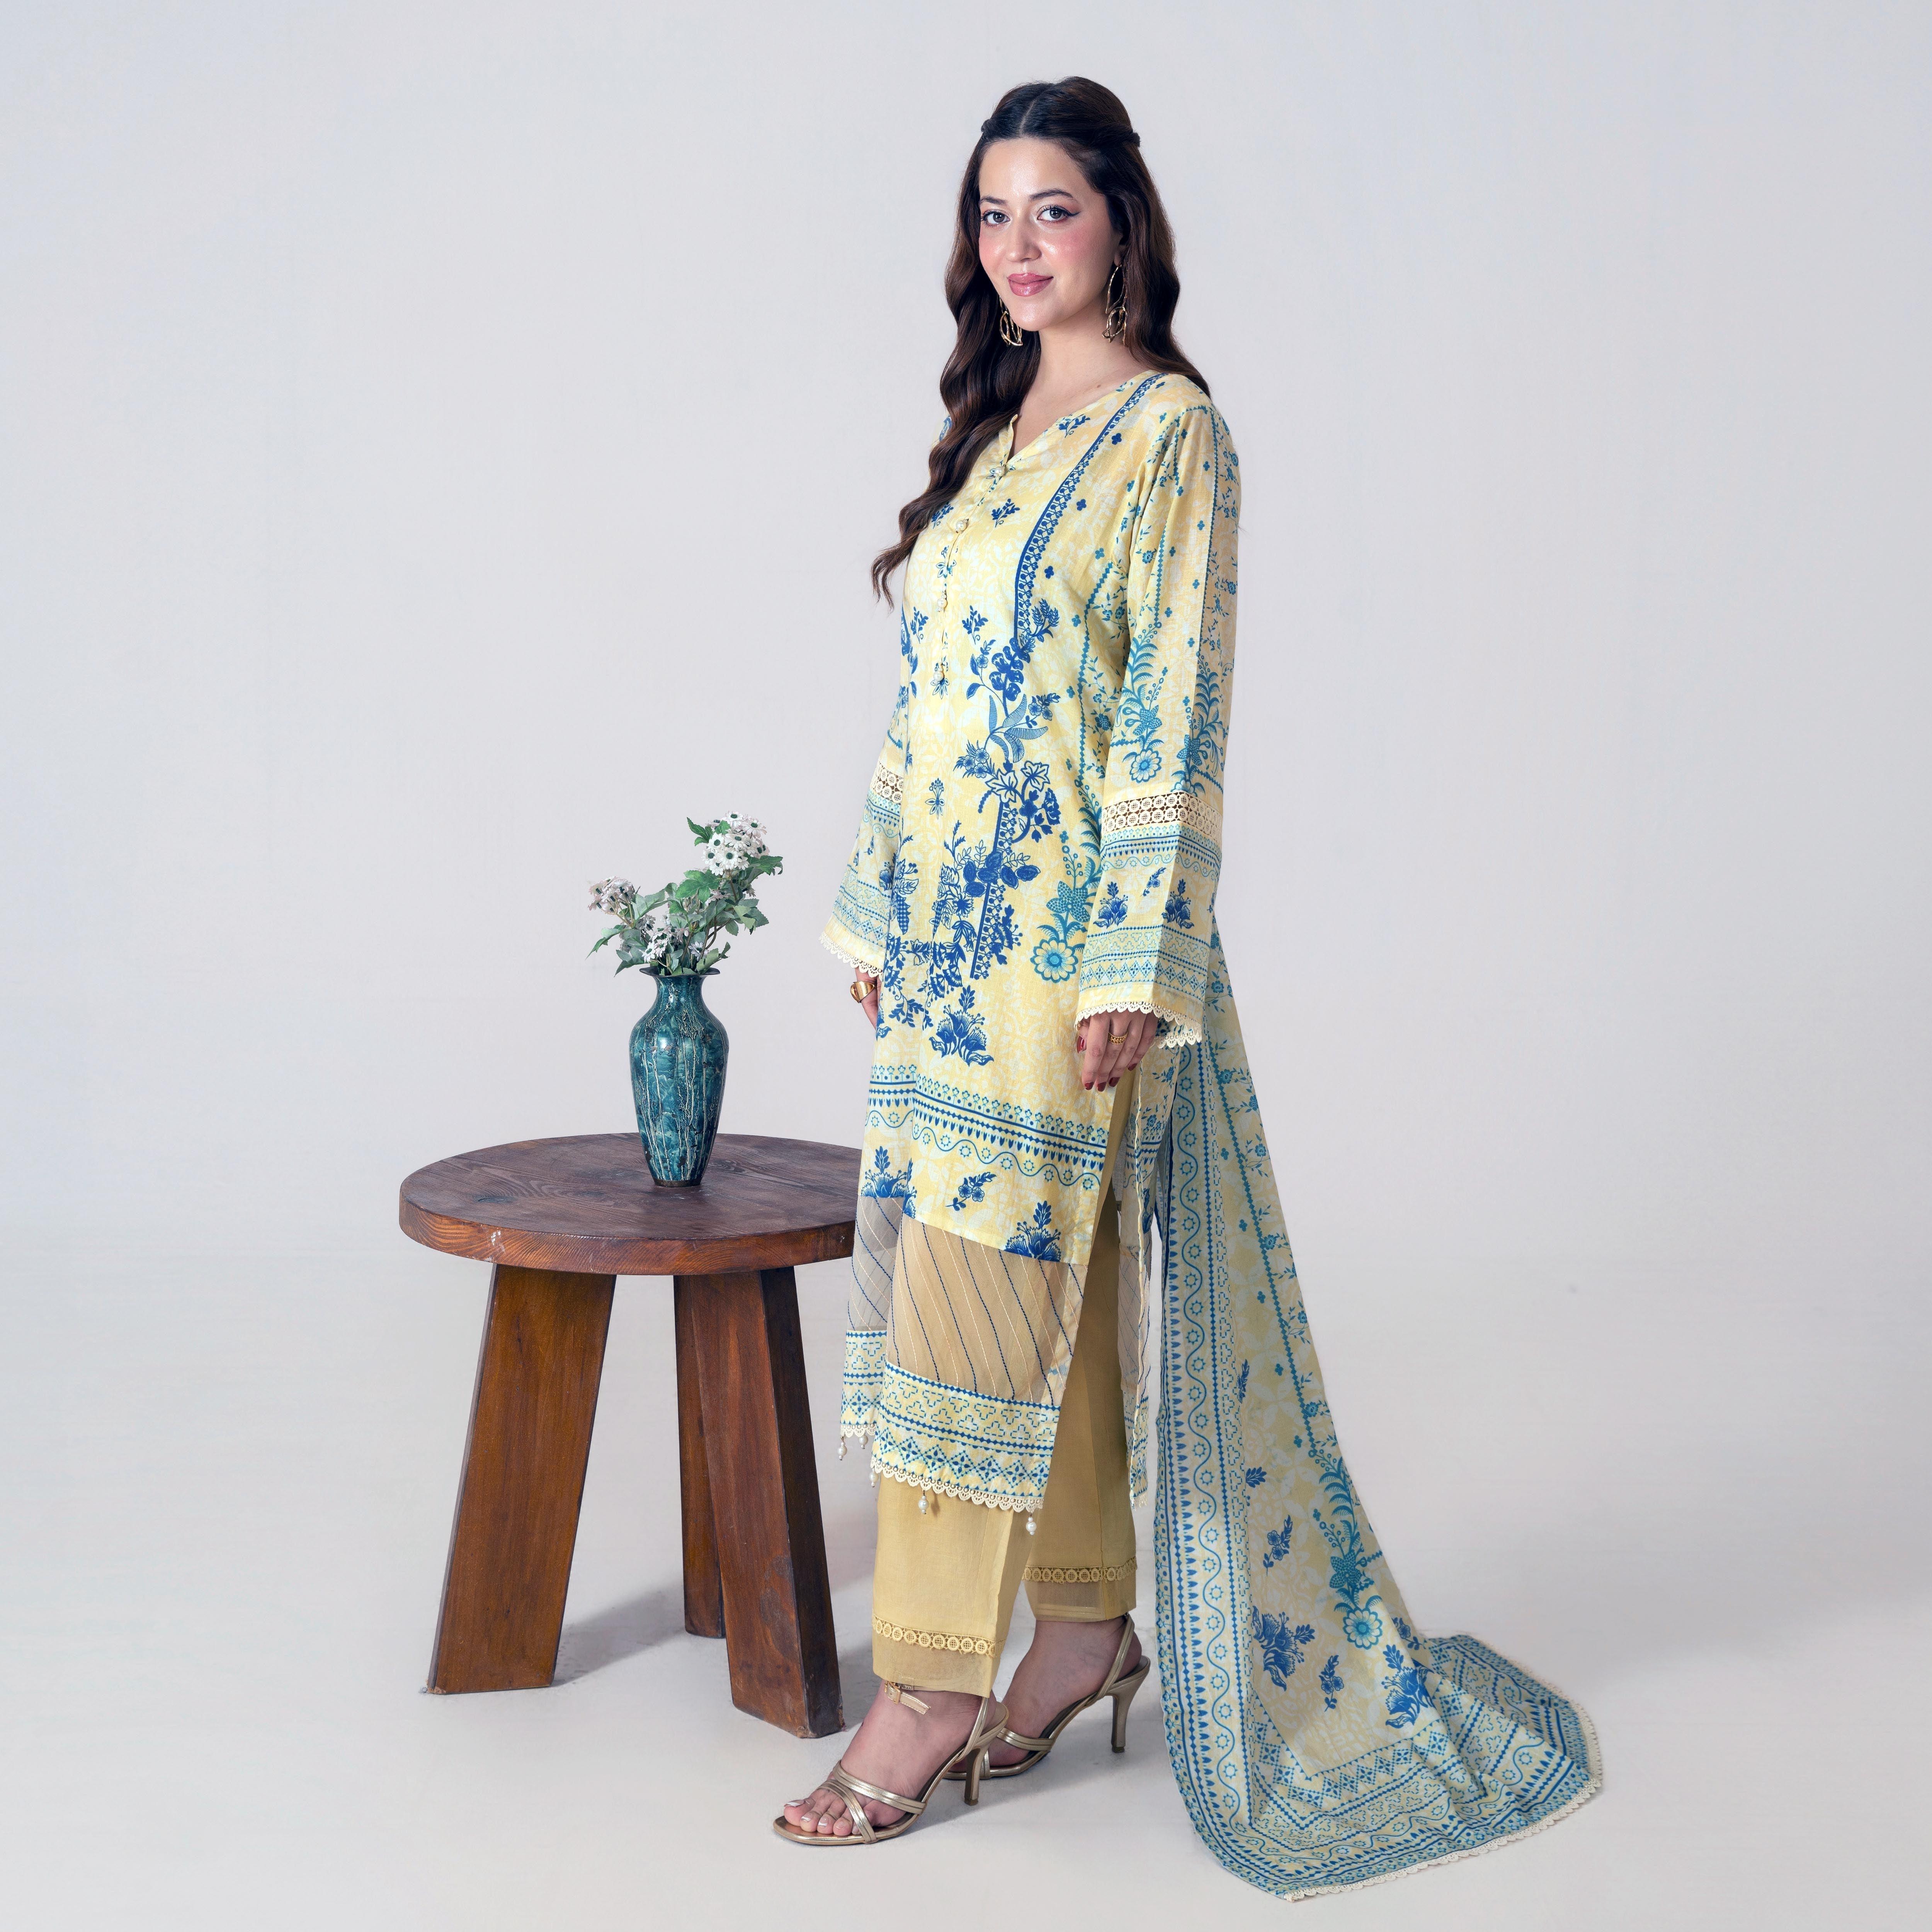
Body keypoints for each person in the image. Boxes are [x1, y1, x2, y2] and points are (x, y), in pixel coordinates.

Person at [782, 77, 1601, 1898]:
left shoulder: (1170, 437)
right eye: (990, 212)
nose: (1015, 245)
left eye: (1049, 209)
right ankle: (1082, 1626)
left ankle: (923, 1687)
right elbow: (931, 702)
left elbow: (1172, 704)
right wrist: (878, 910)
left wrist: (1134, 960)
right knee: (1026, 1289)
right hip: (944, 947)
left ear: (1119, 225)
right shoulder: (993, 435)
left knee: (973, 1307)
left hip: (1061, 947)